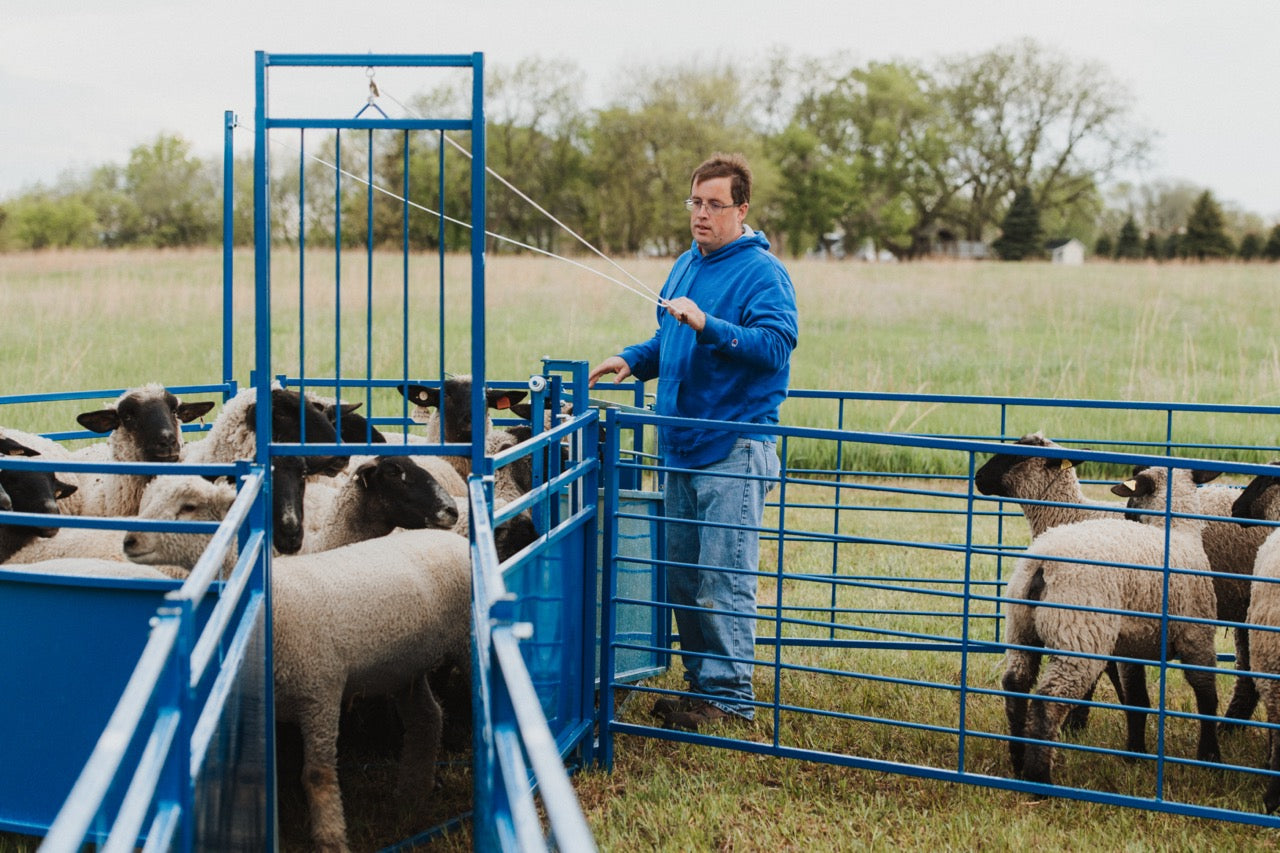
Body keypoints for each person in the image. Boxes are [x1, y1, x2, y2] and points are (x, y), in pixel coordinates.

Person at [588, 152, 799, 731]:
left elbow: (776, 345)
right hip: (679, 443)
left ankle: (731, 698)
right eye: (695, 203)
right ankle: (703, 686)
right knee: (683, 575)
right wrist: (630, 360)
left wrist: (709, 325)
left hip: (734, 444)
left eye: (715, 205)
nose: (702, 215)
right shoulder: (685, 264)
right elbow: (667, 339)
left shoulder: (762, 273)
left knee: (722, 579)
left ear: (741, 209)